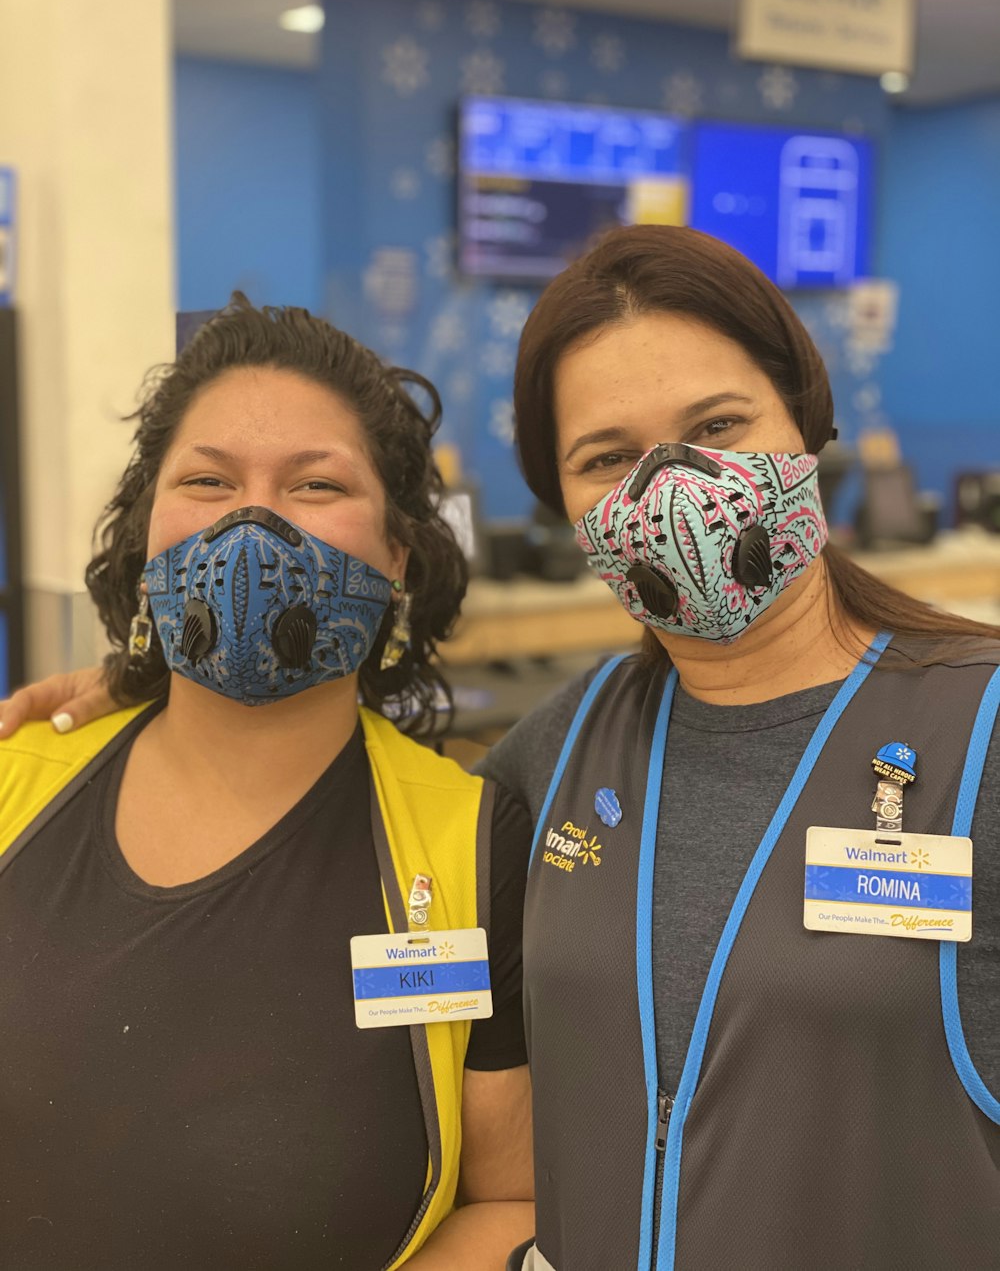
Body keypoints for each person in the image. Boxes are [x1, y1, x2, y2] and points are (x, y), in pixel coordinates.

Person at [10, 227, 1000, 1270]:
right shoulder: (552, 765)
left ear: (806, 422)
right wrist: (138, 689)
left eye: (716, 425)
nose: (672, 489)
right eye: (608, 458)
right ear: (570, 507)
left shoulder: (977, 728)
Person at [0, 295, 534, 1270]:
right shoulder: (16, 783)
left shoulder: (470, 841)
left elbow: (509, 1195)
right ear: (146, 537)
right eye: (206, 479)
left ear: (396, 556)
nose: (251, 522)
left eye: (315, 484)